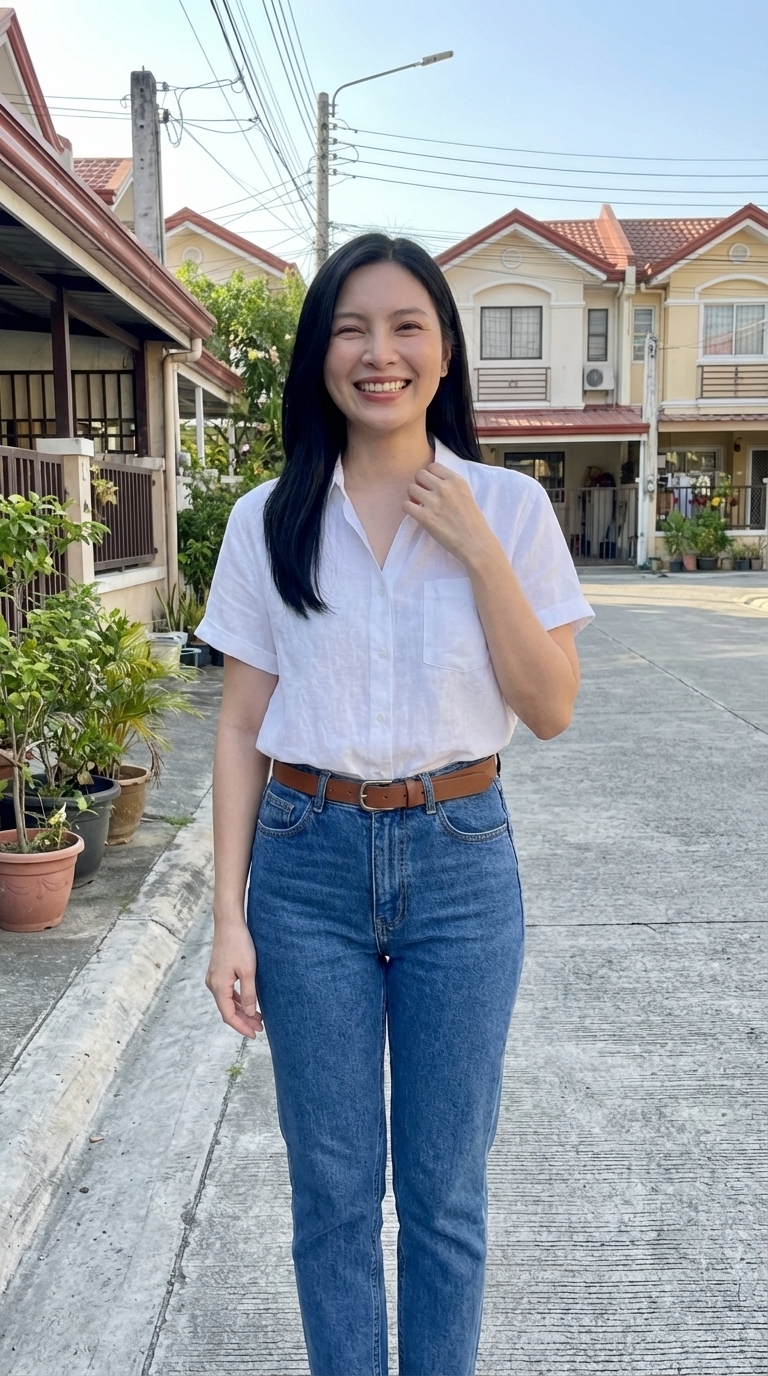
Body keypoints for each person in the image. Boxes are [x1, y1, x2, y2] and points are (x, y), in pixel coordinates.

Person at [197, 233, 593, 1376]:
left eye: (407, 326)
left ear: (445, 350)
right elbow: (239, 725)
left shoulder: (509, 506)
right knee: (330, 1191)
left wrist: (477, 549)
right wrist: (228, 917)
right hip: (304, 867)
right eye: (351, 329)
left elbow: (550, 707)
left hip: (460, 861)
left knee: (445, 1191)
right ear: (319, 354)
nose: (380, 353)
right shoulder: (267, 518)